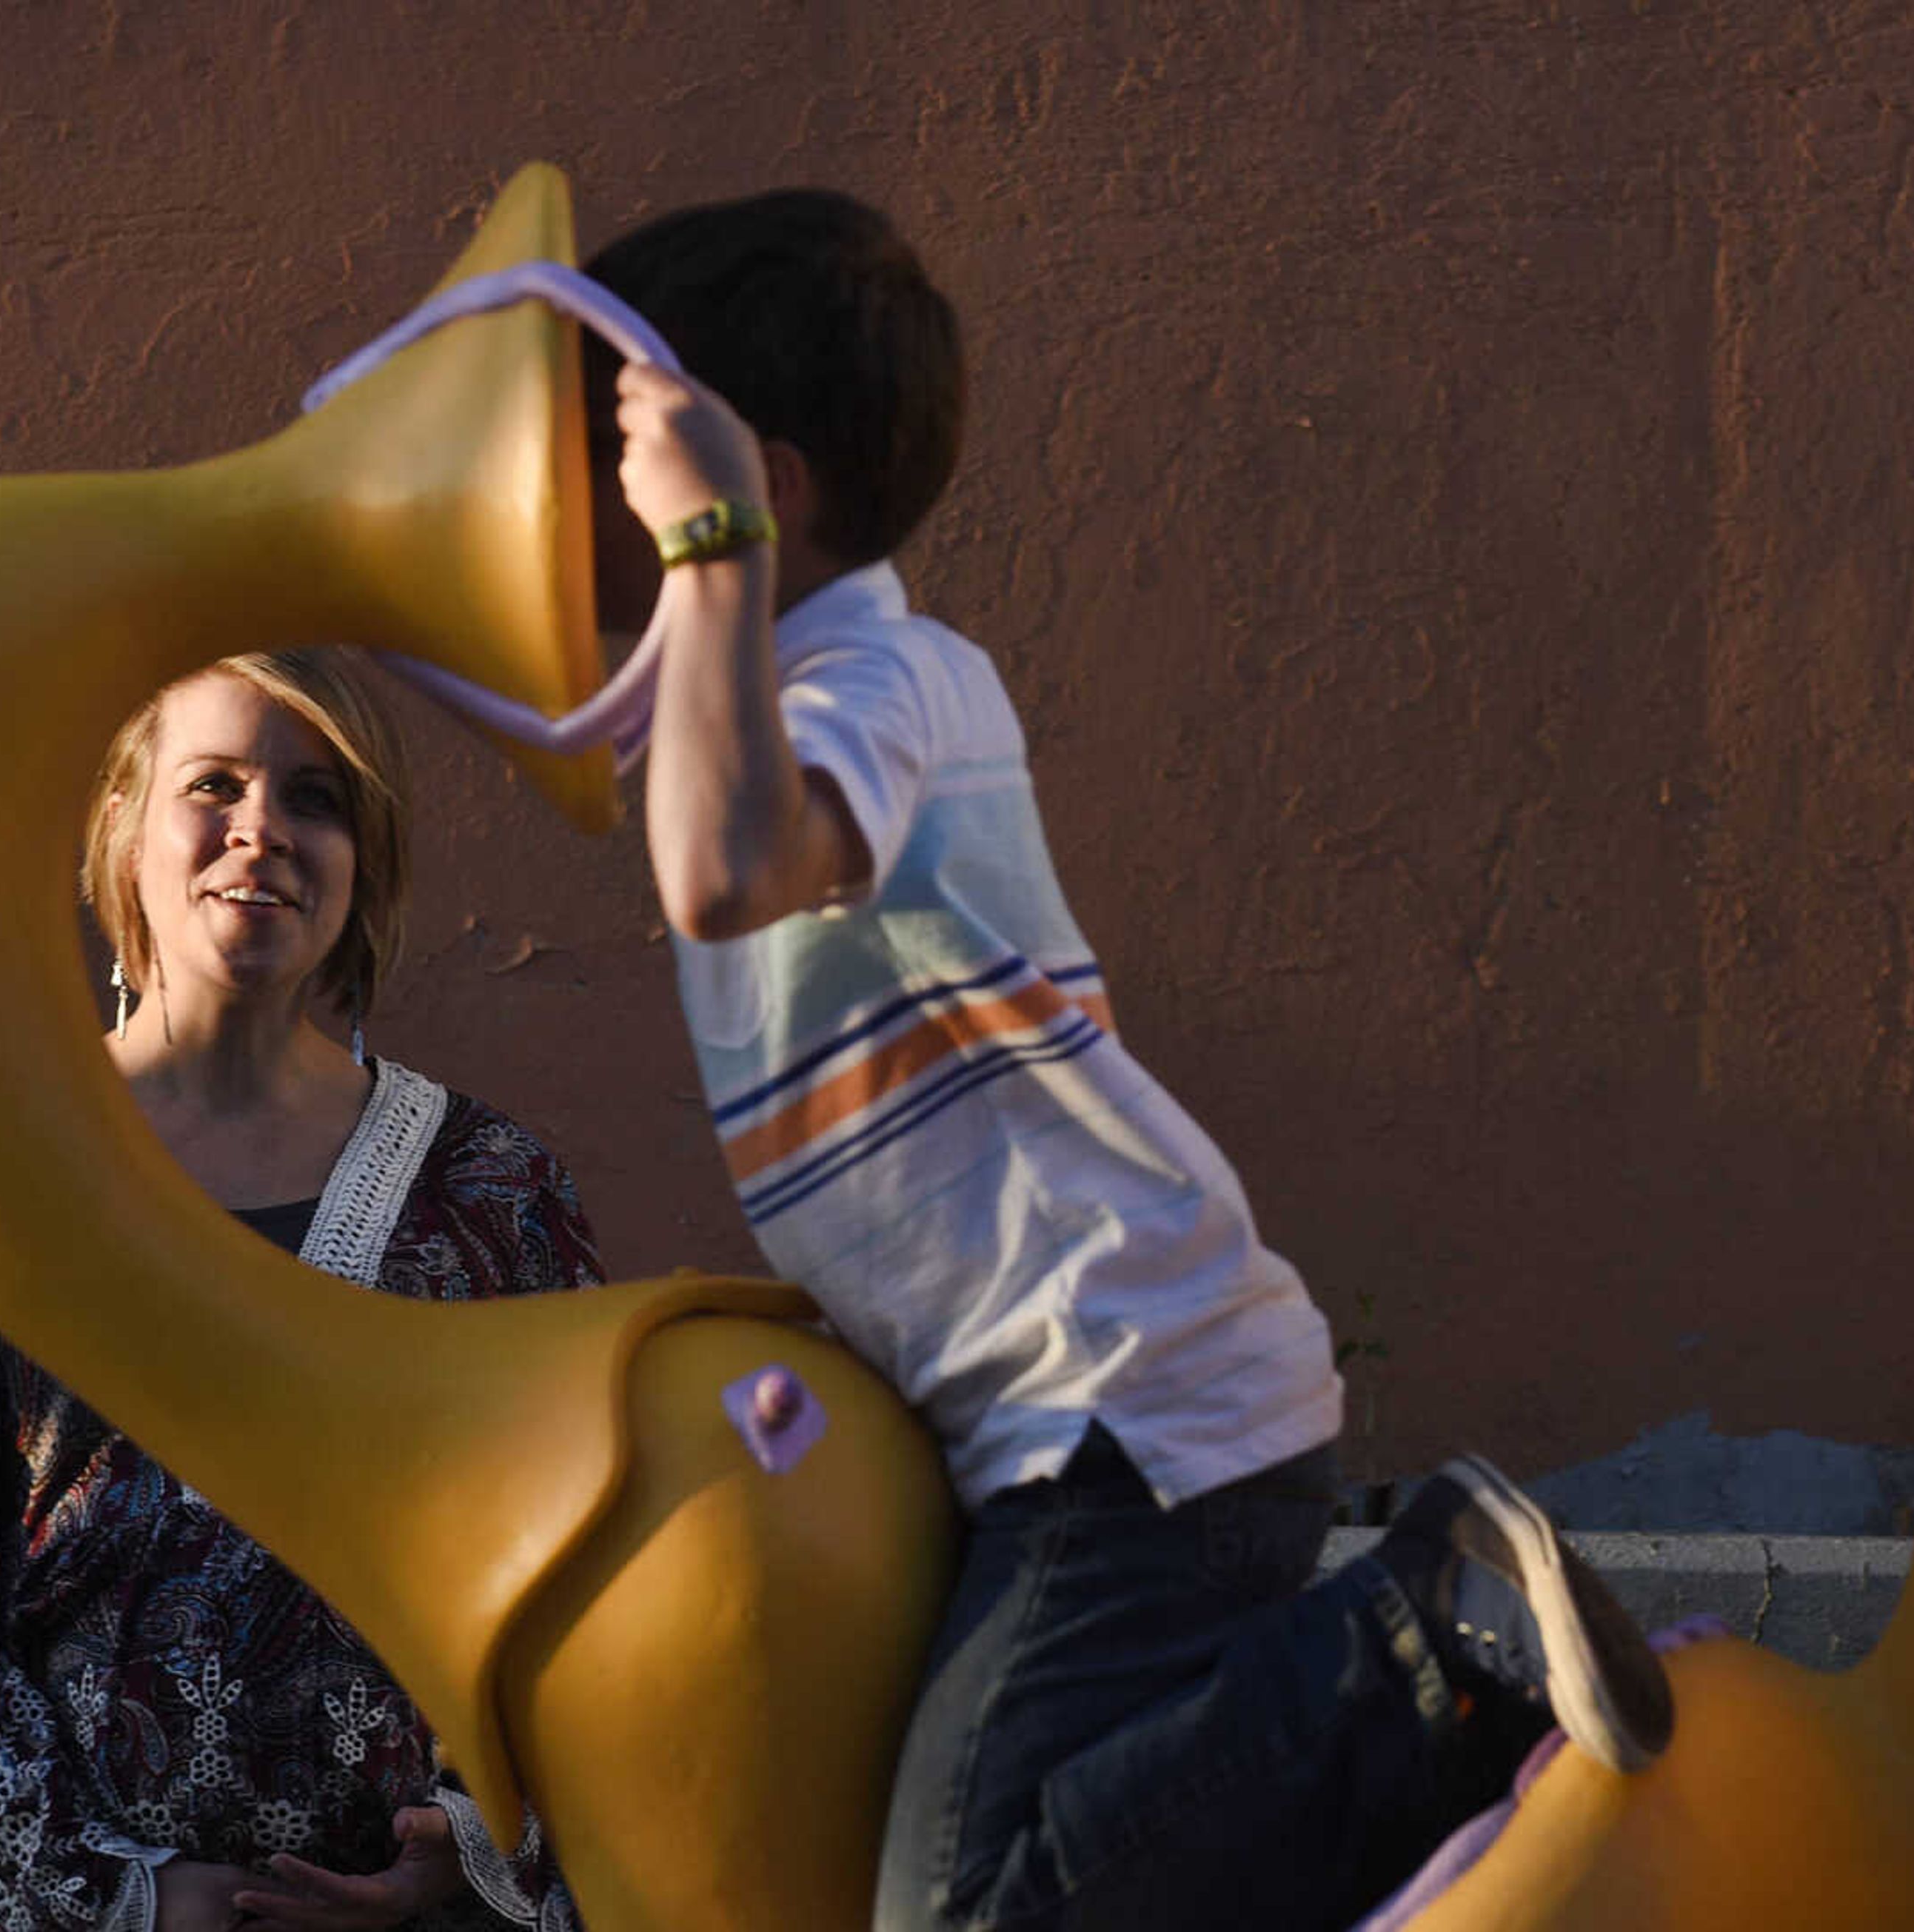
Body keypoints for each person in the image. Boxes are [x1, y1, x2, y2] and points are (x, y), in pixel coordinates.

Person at [582, 193, 1676, 1931]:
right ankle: (1401, 1735)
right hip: (1089, 1415)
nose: (587, 532)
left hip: (1120, 1409)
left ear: (757, 489)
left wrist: (699, 542)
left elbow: (725, 862)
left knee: (968, 1915)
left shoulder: (883, 678)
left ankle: (1417, 1650)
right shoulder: (773, 692)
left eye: (607, 485)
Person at [0, 650, 600, 1932]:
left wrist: (468, 1856)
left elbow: (585, 1578)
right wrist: (118, 1891)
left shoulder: (497, 1191)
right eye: (214, 783)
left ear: (367, 860)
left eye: (316, 797)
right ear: (124, 830)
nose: (263, 830)